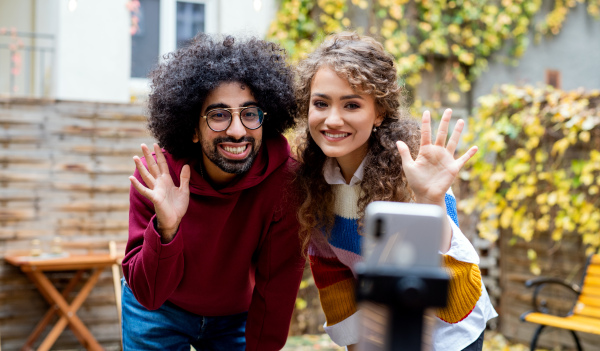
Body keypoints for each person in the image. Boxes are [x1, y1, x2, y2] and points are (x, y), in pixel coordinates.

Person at [294, 32, 497, 351]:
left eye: (351, 104)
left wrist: (431, 201)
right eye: (321, 103)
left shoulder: (413, 174)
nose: (333, 119)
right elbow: (333, 275)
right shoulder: (311, 183)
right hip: (382, 336)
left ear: (379, 112)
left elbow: (457, 304)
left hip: (449, 336)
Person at [122, 34, 305, 351]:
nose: (237, 131)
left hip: (233, 316)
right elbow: (148, 294)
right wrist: (166, 228)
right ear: (193, 128)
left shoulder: (285, 182)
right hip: (158, 310)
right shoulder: (158, 179)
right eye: (219, 115)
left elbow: (278, 285)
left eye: (249, 113)